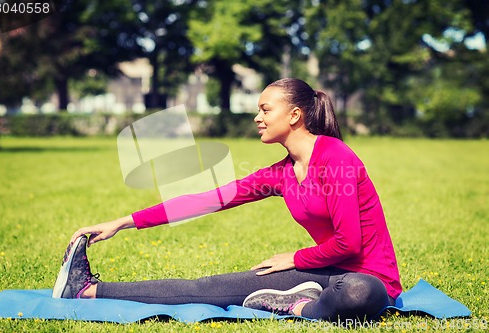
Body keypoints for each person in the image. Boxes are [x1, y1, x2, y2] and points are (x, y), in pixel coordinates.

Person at [53, 78, 402, 322]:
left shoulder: (335, 156)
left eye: (266, 110)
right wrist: (122, 222)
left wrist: (293, 258)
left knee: (357, 292)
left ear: (294, 115)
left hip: (370, 279)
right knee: (205, 288)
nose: (257, 117)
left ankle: (300, 308)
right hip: (320, 272)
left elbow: (350, 243)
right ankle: (88, 291)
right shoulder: (280, 173)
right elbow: (206, 200)